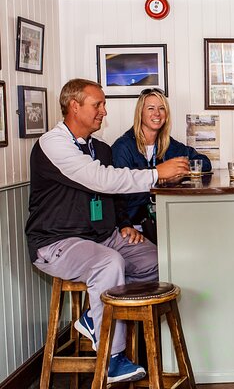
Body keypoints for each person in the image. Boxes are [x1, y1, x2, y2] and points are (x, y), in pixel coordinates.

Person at [25, 79, 188, 384]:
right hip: (57, 240)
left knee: (161, 260)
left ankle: (93, 315)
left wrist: (124, 224)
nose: (104, 111)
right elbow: (100, 179)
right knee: (108, 262)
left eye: (103, 104)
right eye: (97, 104)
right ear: (74, 106)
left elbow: (111, 194)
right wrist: (156, 174)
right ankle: (112, 357)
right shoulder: (53, 144)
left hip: (101, 236)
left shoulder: (99, 147)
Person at [111, 88, 210, 244]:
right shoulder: (123, 146)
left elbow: (204, 163)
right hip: (134, 224)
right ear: (140, 113)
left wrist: (179, 173)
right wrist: (125, 225)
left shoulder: (169, 144)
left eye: (161, 108)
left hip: (164, 220)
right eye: (151, 108)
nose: (157, 113)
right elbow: (116, 192)